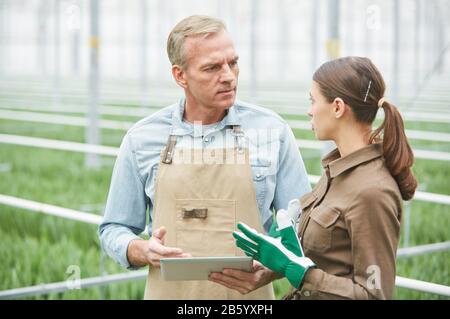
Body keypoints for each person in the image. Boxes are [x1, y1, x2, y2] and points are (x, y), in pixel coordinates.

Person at [98, 15, 311, 300]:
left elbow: (305, 227)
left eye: (233, 63)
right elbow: (114, 228)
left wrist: (272, 270)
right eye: (211, 68)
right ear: (180, 76)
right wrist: (141, 250)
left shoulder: (272, 132)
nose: (228, 76)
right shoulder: (142, 139)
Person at [226, 56, 418, 299]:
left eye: (313, 100)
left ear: (337, 107)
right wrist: (282, 258)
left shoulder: (372, 191)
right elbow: (331, 258)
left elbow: (373, 294)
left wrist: (301, 273)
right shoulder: (337, 172)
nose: (309, 110)